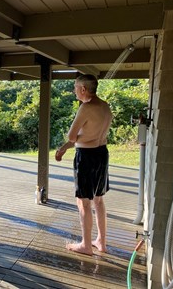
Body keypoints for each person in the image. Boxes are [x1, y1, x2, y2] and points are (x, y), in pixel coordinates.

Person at [55, 74, 113, 256]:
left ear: (83, 89)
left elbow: (73, 137)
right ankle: (101, 242)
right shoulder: (105, 106)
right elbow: (90, 134)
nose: (74, 91)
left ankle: (86, 245)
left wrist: (66, 145)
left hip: (86, 157)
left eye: (75, 87)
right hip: (102, 154)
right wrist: (64, 149)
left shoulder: (86, 108)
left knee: (83, 202)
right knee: (98, 199)